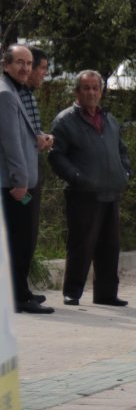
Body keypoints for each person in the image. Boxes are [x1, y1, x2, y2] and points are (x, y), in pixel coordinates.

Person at [48, 71, 131, 307]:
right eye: (86, 88)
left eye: (95, 88)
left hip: (111, 192)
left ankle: (106, 294)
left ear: (101, 91)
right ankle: (72, 292)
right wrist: (76, 177)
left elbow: (122, 150)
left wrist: (125, 173)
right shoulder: (65, 121)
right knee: (81, 245)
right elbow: (56, 156)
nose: (91, 93)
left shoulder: (110, 120)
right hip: (82, 194)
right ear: (77, 92)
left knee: (110, 246)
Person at [0, 45, 53, 314]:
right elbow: (10, 143)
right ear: (6, 64)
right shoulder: (6, 94)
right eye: (19, 62)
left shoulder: (15, 91)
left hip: (21, 180)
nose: (25, 68)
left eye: (29, 63)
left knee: (24, 240)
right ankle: (19, 297)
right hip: (14, 184)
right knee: (19, 242)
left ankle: (21, 292)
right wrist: (20, 181)